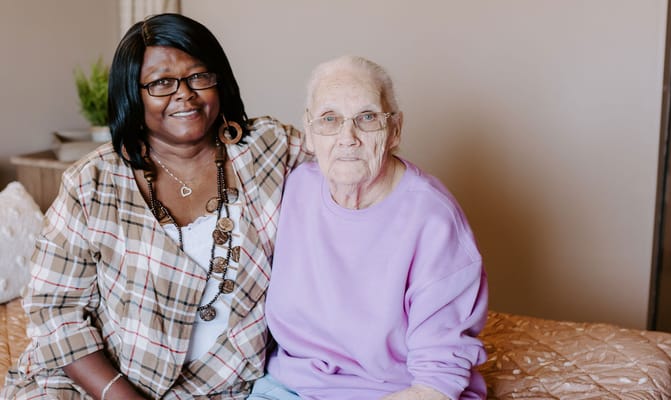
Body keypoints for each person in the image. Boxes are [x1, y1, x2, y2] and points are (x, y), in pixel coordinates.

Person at [2, 13, 308, 399]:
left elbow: (354, 166)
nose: (185, 94)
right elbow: (54, 310)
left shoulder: (269, 148)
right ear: (133, 92)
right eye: (162, 83)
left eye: (199, 76)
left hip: (222, 385)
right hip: (97, 381)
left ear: (220, 80)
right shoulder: (92, 182)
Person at [249, 56, 488, 400]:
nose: (348, 137)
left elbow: (436, 382)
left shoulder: (434, 220)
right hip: (291, 388)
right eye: (329, 119)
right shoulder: (294, 188)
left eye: (367, 118)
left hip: (398, 392)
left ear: (394, 131)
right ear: (310, 132)